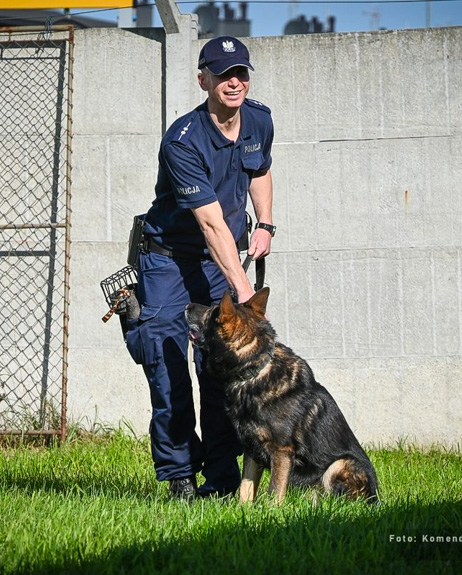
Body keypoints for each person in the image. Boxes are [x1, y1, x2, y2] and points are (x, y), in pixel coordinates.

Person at [124, 36, 276, 500]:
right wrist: (245, 294)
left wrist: (265, 224)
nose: (234, 82)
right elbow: (211, 225)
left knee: (221, 369)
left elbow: (261, 169)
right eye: (223, 74)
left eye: (241, 74)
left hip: (218, 261)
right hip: (168, 261)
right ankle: (180, 480)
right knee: (168, 367)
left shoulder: (259, 120)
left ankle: (224, 479)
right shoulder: (183, 140)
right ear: (203, 79)